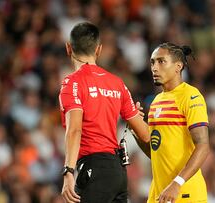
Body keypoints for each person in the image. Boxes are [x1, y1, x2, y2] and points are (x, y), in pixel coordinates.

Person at [59, 22, 150, 203]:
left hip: (93, 169)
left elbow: (75, 129)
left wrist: (68, 171)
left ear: (68, 48)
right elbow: (145, 134)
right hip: (118, 172)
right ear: (98, 50)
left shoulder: (72, 83)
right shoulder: (118, 83)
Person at [137, 42, 210, 203]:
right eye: (152, 62)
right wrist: (135, 125)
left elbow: (203, 145)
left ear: (178, 66)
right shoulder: (156, 101)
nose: (155, 67)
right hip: (160, 193)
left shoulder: (191, 96)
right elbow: (155, 151)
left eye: (161, 61)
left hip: (185, 193)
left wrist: (177, 183)